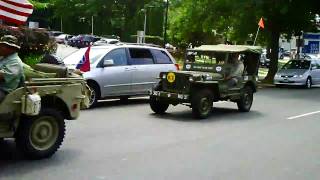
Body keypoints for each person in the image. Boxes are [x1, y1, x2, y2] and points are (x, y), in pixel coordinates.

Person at [0, 35, 24, 103]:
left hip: (4, 91)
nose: (0, 47)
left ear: (11, 48)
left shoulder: (15, 62)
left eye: (2, 46)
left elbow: (2, 76)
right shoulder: (4, 58)